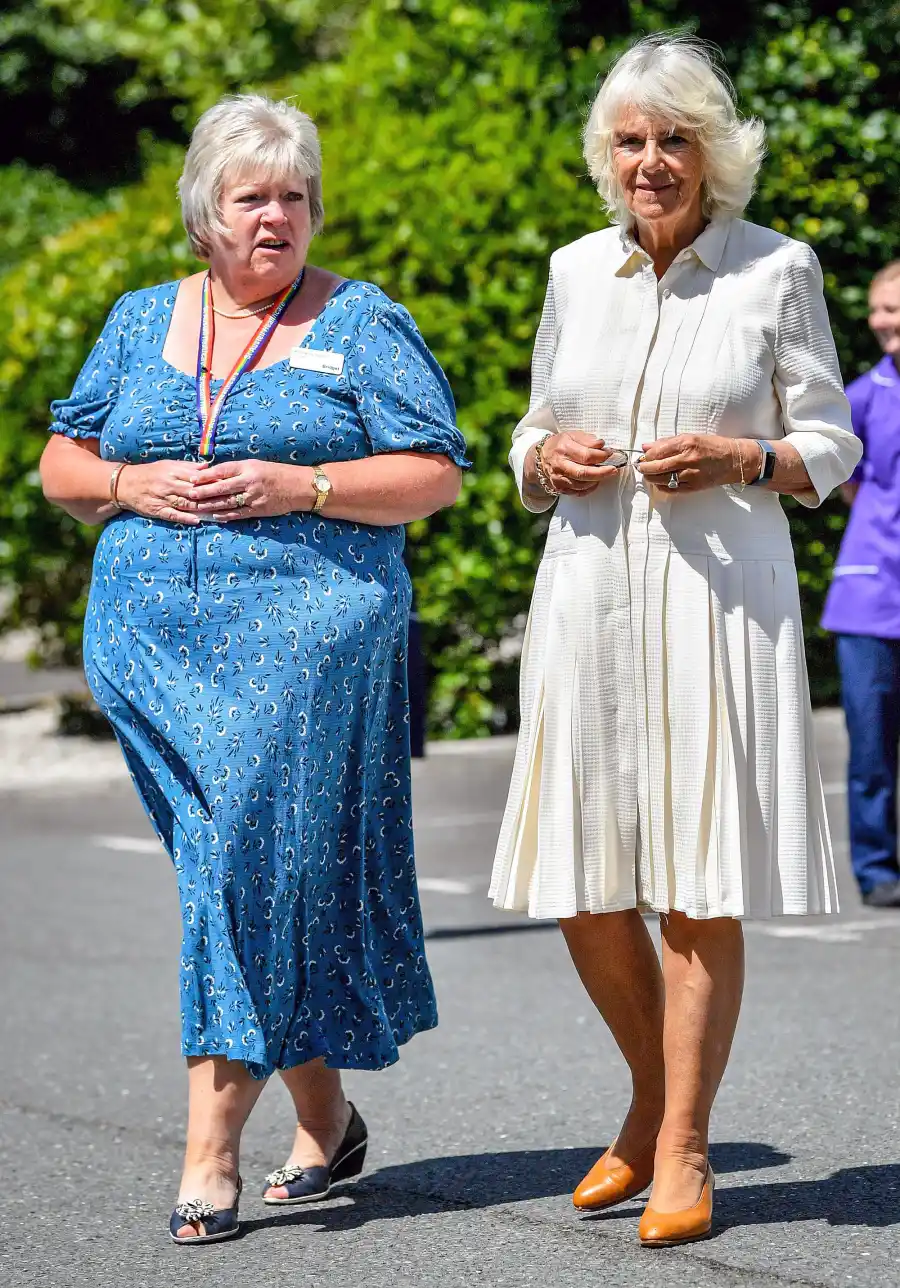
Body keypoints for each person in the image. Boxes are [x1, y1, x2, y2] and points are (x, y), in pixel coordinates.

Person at [40, 93, 468, 1245]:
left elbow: (437, 473)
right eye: (252, 198)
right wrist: (127, 485)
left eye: (294, 197)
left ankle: (209, 1149)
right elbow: (61, 460)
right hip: (148, 648)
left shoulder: (364, 320)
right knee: (253, 877)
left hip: (307, 643)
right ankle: (327, 1120)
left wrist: (306, 485)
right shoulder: (139, 320)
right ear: (203, 217)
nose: (276, 217)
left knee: (237, 865)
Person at [489, 33, 861, 1247]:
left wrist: (745, 458)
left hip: (717, 601)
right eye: (632, 142)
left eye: (675, 140)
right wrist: (543, 459)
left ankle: (687, 1147)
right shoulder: (572, 270)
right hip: (588, 594)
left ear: (716, 152)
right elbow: (532, 426)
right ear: (609, 156)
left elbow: (832, 440)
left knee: (699, 885)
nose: (651, 161)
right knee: (583, 885)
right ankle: (652, 1100)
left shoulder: (776, 270)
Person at [821, 261, 900, 909]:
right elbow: (844, 481)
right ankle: (877, 869)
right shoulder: (861, 396)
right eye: (877, 309)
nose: (882, 321)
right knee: (871, 744)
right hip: (871, 599)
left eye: (893, 308)